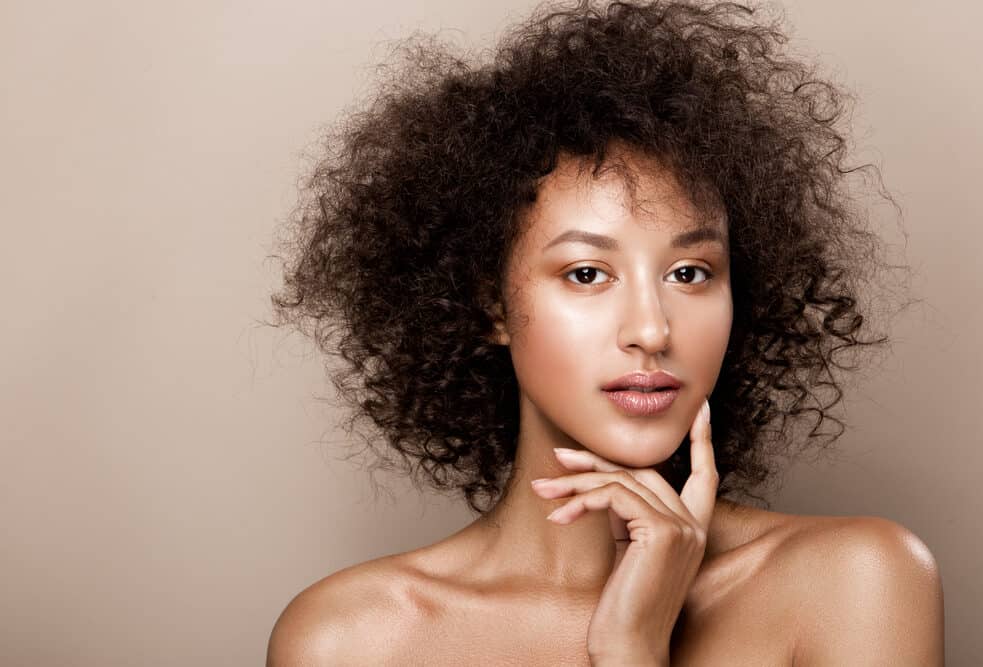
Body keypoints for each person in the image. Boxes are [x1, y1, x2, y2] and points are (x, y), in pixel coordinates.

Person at [265, 1, 944, 664]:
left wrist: (632, 648)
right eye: (588, 273)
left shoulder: (857, 581)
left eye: (690, 272)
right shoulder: (351, 640)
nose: (651, 329)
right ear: (490, 303)